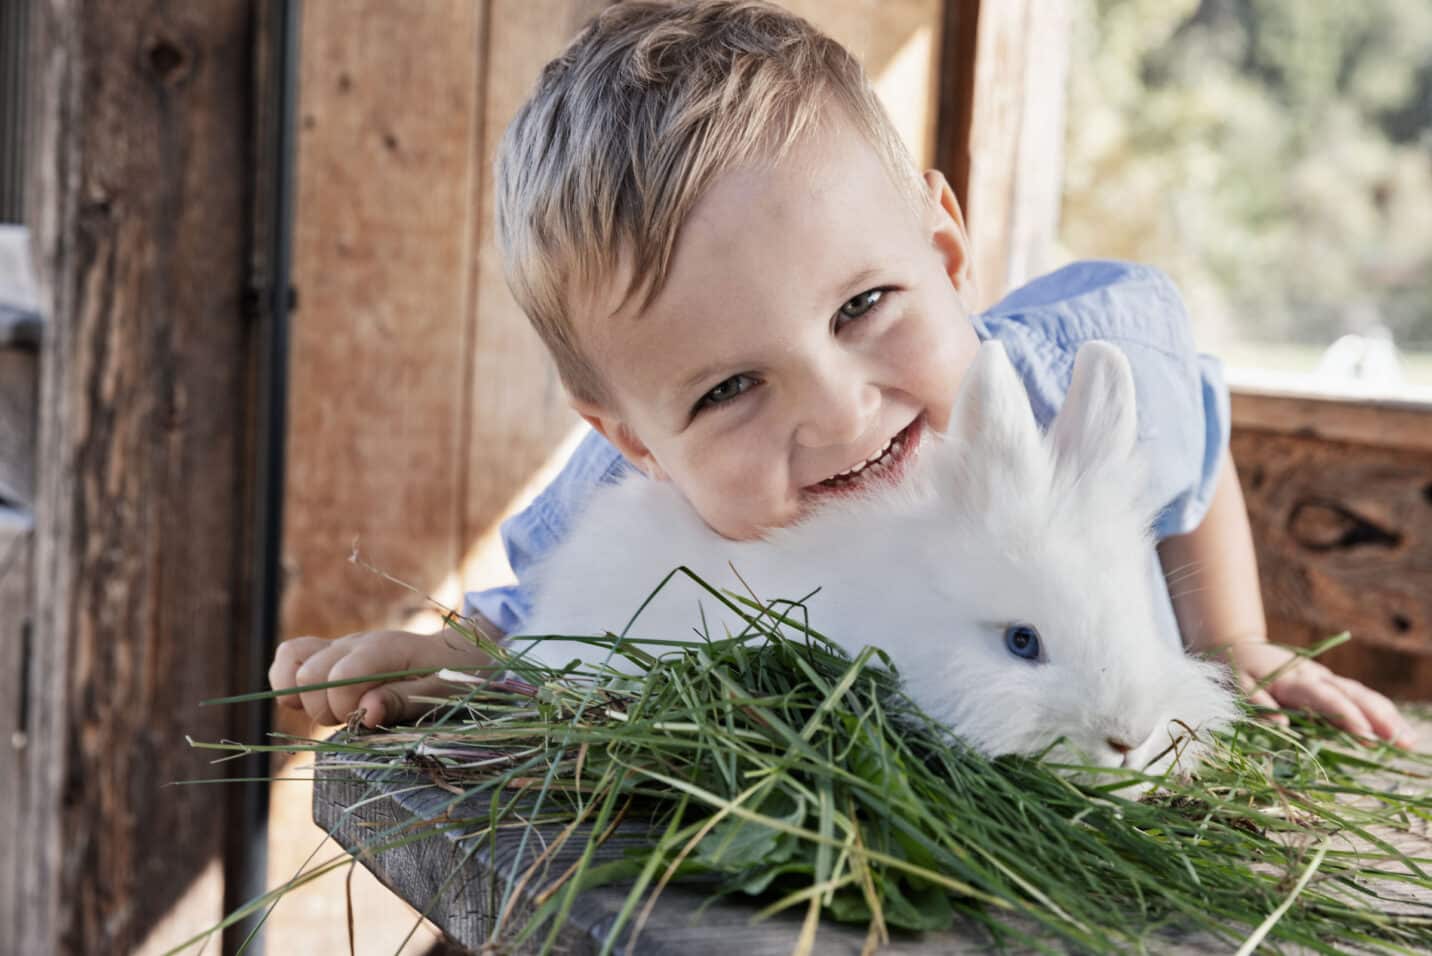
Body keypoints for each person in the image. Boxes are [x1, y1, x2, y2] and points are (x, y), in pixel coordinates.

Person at [269, 0, 1413, 747]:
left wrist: (1230, 647)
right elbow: (553, 614)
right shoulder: (644, 501)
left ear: (946, 252)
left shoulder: (1065, 382)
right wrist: (455, 655)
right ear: (634, 443)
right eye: (726, 390)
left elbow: (1189, 428)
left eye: (863, 306)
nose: (835, 413)